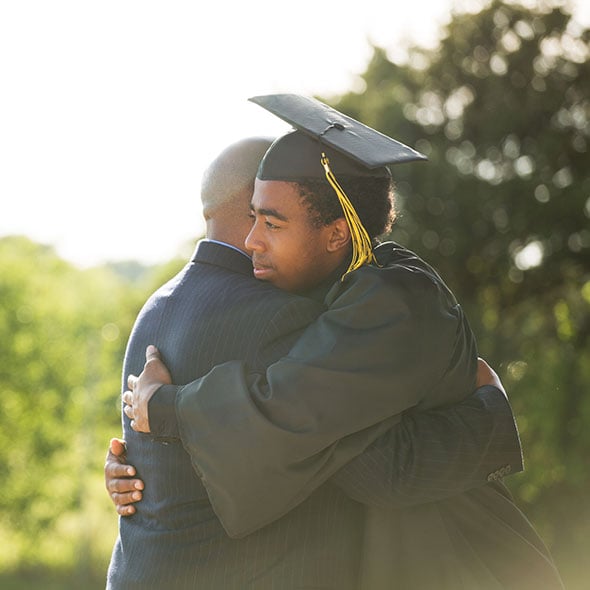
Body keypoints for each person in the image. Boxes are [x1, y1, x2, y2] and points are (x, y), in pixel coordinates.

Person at [120, 95, 564, 589]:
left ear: (335, 234)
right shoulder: (342, 294)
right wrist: (137, 462)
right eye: (253, 217)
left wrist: (166, 410)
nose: (252, 241)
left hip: (463, 557)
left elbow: (356, 452)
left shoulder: (393, 299)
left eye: (271, 222)